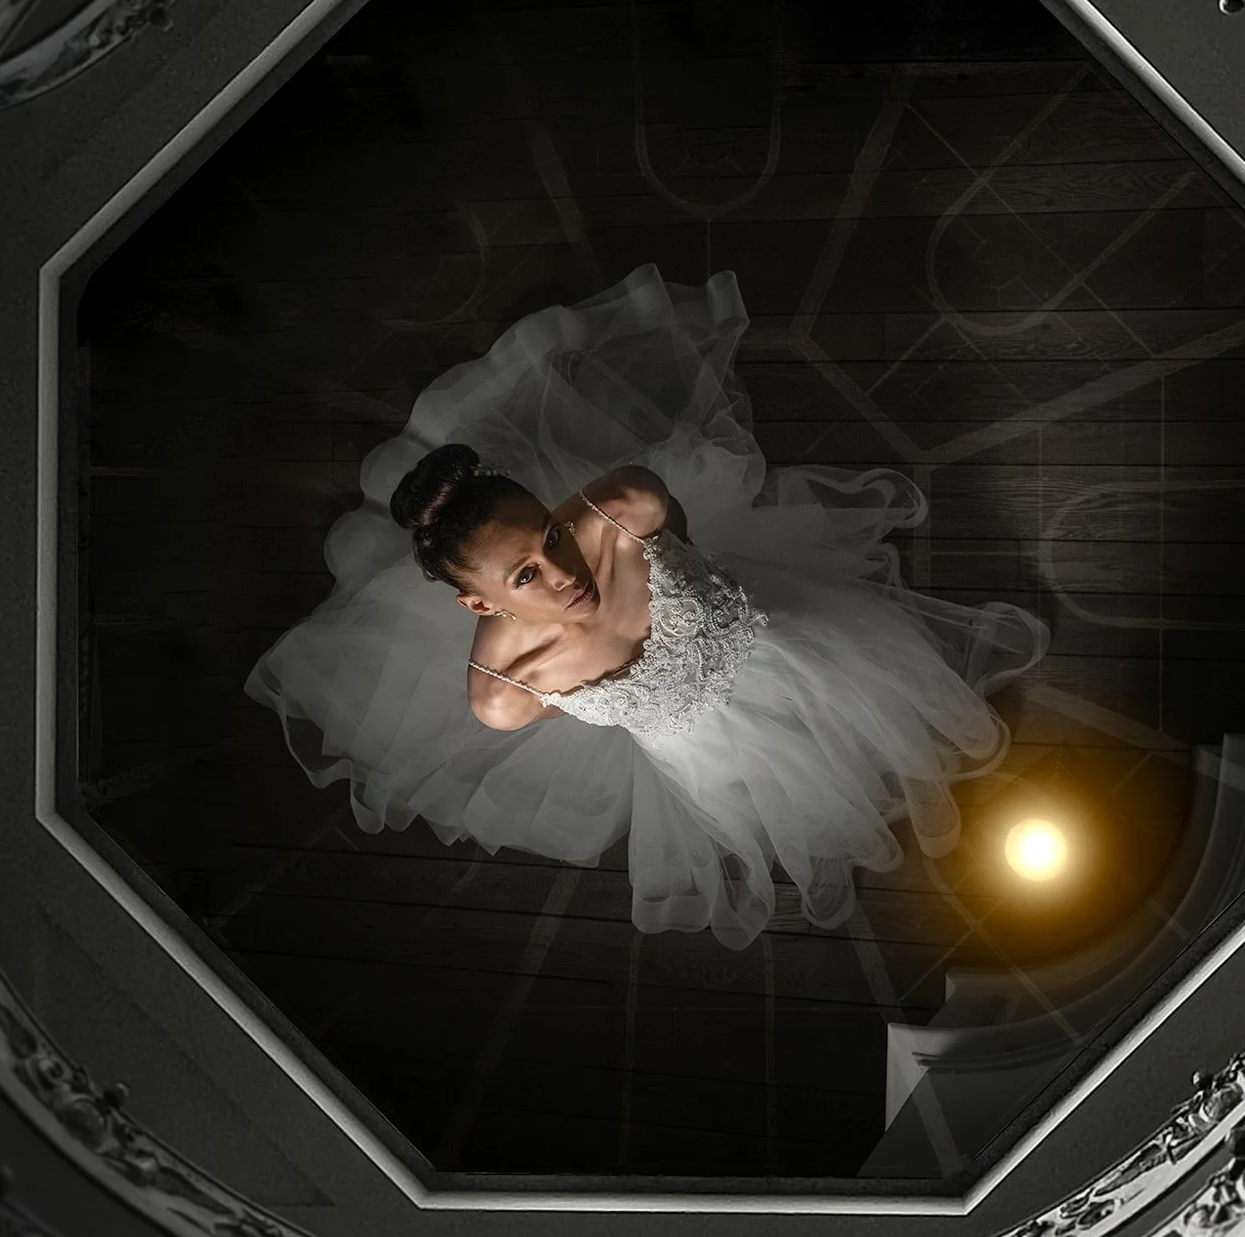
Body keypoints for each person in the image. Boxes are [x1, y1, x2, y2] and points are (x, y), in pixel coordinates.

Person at [247, 264, 1044, 951]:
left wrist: (692, 589)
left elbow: (686, 538)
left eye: (553, 532)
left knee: (878, 715)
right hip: (704, 744)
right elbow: (569, 706)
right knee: (797, 792)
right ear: (473, 601)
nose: (563, 571)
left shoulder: (628, 505)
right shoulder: (506, 693)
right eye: (525, 576)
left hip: (784, 638)